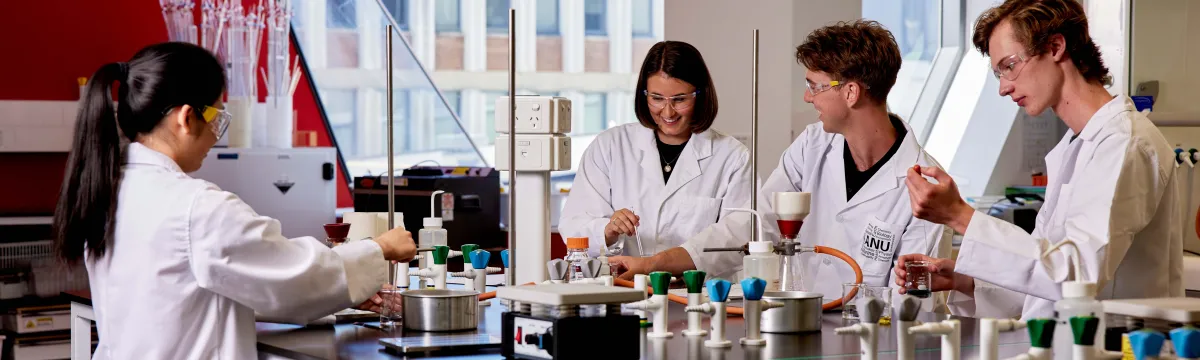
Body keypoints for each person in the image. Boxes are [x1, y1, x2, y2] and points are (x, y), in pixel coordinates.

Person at [51, 42, 416, 359]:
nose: (215, 137)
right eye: (216, 118)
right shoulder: (195, 208)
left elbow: (204, 292)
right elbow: (295, 273)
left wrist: (342, 294)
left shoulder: (113, 189)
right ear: (186, 117)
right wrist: (378, 248)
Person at [896, 0, 1182, 320]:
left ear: (1055, 46)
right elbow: (1045, 277)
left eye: (1009, 65)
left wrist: (959, 215)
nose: (1003, 88)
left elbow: (1077, 278)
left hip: (1118, 347)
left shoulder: (1125, 144)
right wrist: (964, 280)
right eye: (998, 73)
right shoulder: (1074, 148)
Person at [686, 20, 950, 302]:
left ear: (850, 92)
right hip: (801, 326)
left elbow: (913, 306)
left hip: (872, 340)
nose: (807, 97)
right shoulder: (812, 146)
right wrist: (663, 262)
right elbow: (758, 221)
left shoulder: (926, 187)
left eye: (815, 86)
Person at [558, 41, 753, 280]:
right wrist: (607, 230)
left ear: (700, 95)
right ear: (644, 94)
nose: (668, 112)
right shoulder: (610, 146)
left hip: (699, 296)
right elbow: (573, 226)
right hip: (625, 294)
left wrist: (655, 263)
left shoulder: (732, 156)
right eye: (657, 98)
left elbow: (736, 238)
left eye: (680, 99)